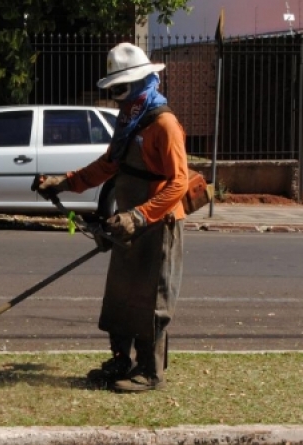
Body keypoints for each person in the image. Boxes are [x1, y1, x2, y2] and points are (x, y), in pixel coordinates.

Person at [38, 42, 189, 393]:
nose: (118, 99)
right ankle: (121, 361)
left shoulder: (163, 124)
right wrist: (64, 182)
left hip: (157, 223)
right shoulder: (128, 120)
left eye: (121, 90)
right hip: (128, 223)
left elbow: (179, 182)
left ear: (139, 82)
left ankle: (151, 372)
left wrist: (139, 216)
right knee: (122, 294)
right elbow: (109, 165)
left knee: (153, 299)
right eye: (114, 91)